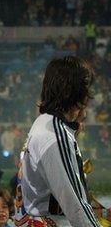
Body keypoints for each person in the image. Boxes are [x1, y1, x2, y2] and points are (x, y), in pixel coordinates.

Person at [19, 56, 101, 226]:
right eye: (86, 87)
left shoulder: (43, 122)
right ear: (77, 92)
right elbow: (75, 204)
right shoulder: (55, 135)